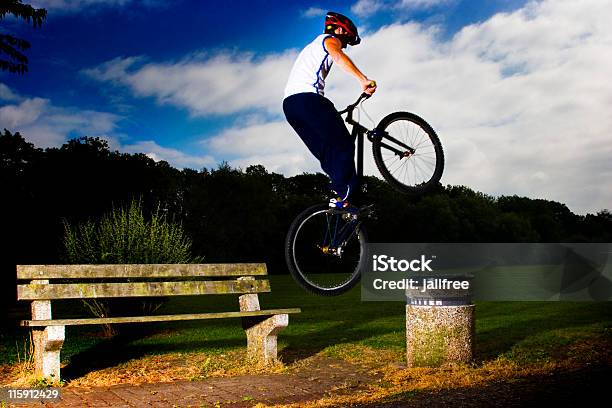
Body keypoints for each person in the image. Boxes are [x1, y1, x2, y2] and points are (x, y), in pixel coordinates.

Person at [283, 11, 377, 210]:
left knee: (328, 152)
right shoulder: (329, 40)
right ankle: (347, 193)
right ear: (341, 31)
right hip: (308, 98)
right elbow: (338, 55)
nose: (345, 46)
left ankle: (340, 199)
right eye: (347, 41)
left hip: (290, 106)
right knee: (343, 144)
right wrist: (363, 79)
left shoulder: (310, 49)